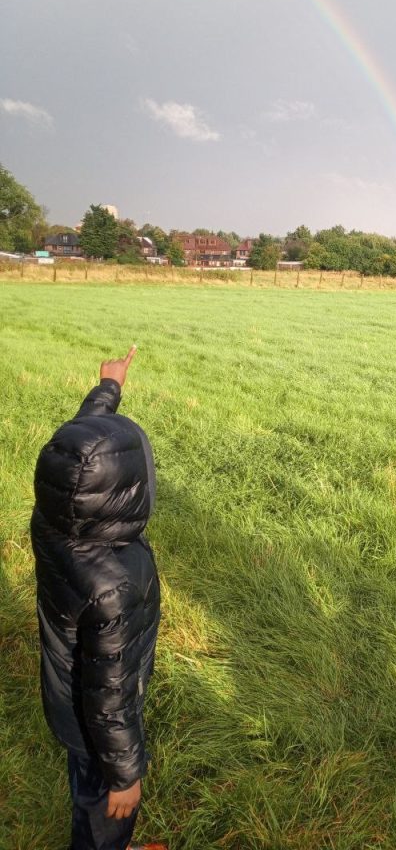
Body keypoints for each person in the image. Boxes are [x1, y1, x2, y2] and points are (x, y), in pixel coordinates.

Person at [30, 346, 166, 850]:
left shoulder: (54, 519)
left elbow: (76, 450)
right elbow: (110, 696)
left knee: (85, 785)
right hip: (97, 733)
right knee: (103, 811)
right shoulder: (116, 585)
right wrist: (126, 775)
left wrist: (108, 389)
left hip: (67, 702)